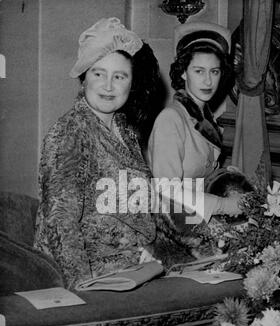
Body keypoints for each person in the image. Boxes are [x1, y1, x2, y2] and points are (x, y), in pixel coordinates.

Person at [34, 17, 199, 290]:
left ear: (131, 84)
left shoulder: (125, 130)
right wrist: (85, 289)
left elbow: (143, 206)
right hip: (87, 275)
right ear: (83, 78)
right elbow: (60, 223)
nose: (108, 86)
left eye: (119, 76)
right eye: (98, 73)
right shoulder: (70, 133)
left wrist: (193, 244)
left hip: (133, 265)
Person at [147, 22, 244, 225]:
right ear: (183, 72)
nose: (208, 81)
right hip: (174, 223)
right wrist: (222, 204)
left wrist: (224, 176)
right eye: (199, 71)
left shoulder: (205, 118)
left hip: (196, 218)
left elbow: (198, 175)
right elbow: (166, 191)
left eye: (214, 72)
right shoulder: (171, 118)